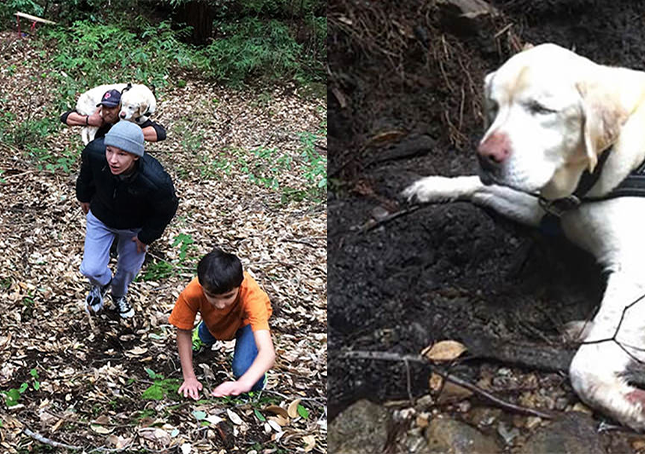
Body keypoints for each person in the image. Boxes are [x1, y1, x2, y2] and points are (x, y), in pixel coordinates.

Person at [76, 121, 178, 318]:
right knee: (91, 269)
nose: (113, 160)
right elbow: (86, 176)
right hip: (101, 217)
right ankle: (102, 284)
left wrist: (146, 236)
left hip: (135, 228)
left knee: (128, 270)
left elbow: (166, 209)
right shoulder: (95, 153)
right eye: (110, 151)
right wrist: (83, 196)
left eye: (122, 154)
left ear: (135, 155)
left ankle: (118, 295)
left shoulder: (155, 180)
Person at [169, 249, 275, 398]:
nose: (220, 304)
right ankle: (203, 334)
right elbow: (183, 330)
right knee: (215, 322)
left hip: (246, 322)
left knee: (242, 368)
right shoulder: (192, 292)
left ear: (239, 285)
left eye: (228, 296)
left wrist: (244, 382)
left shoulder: (252, 296)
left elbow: (268, 353)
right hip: (213, 319)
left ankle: (256, 387)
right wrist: (189, 377)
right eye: (211, 296)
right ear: (201, 286)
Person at [61, 89, 167, 142]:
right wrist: (89, 120)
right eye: (105, 107)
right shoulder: (101, 117)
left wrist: (126, 132)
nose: (107, 111)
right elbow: (66, 117)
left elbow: (160, 133)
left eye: (111, 108)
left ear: (119, 107)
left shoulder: (130, 119)